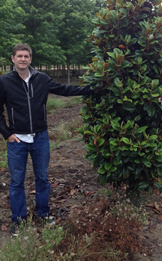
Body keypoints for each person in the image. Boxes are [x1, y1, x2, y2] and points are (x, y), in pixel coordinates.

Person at [0, 43, 94, 235]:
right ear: (13, 59)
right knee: (17, 181)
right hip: (17, 140)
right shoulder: (4, 82)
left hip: (40, 138)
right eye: (19, 56)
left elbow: (64, 89)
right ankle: (18, 220)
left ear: (31, 59)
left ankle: (43, 213)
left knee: (42, 178)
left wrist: (90, 90)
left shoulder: (41, 79)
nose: (23, 59)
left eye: (26, 56)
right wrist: (7, 134)